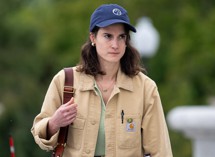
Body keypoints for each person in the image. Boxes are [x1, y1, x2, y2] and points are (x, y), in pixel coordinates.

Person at [31, 3, 173, 157]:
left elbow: (160, 150)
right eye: (107, 36)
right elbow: (39, 133)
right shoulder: (65, 81)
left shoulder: (146, 88)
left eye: (121, 37)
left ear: (127, 41)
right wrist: (54, 123)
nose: (115, 44)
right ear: (93, 37)